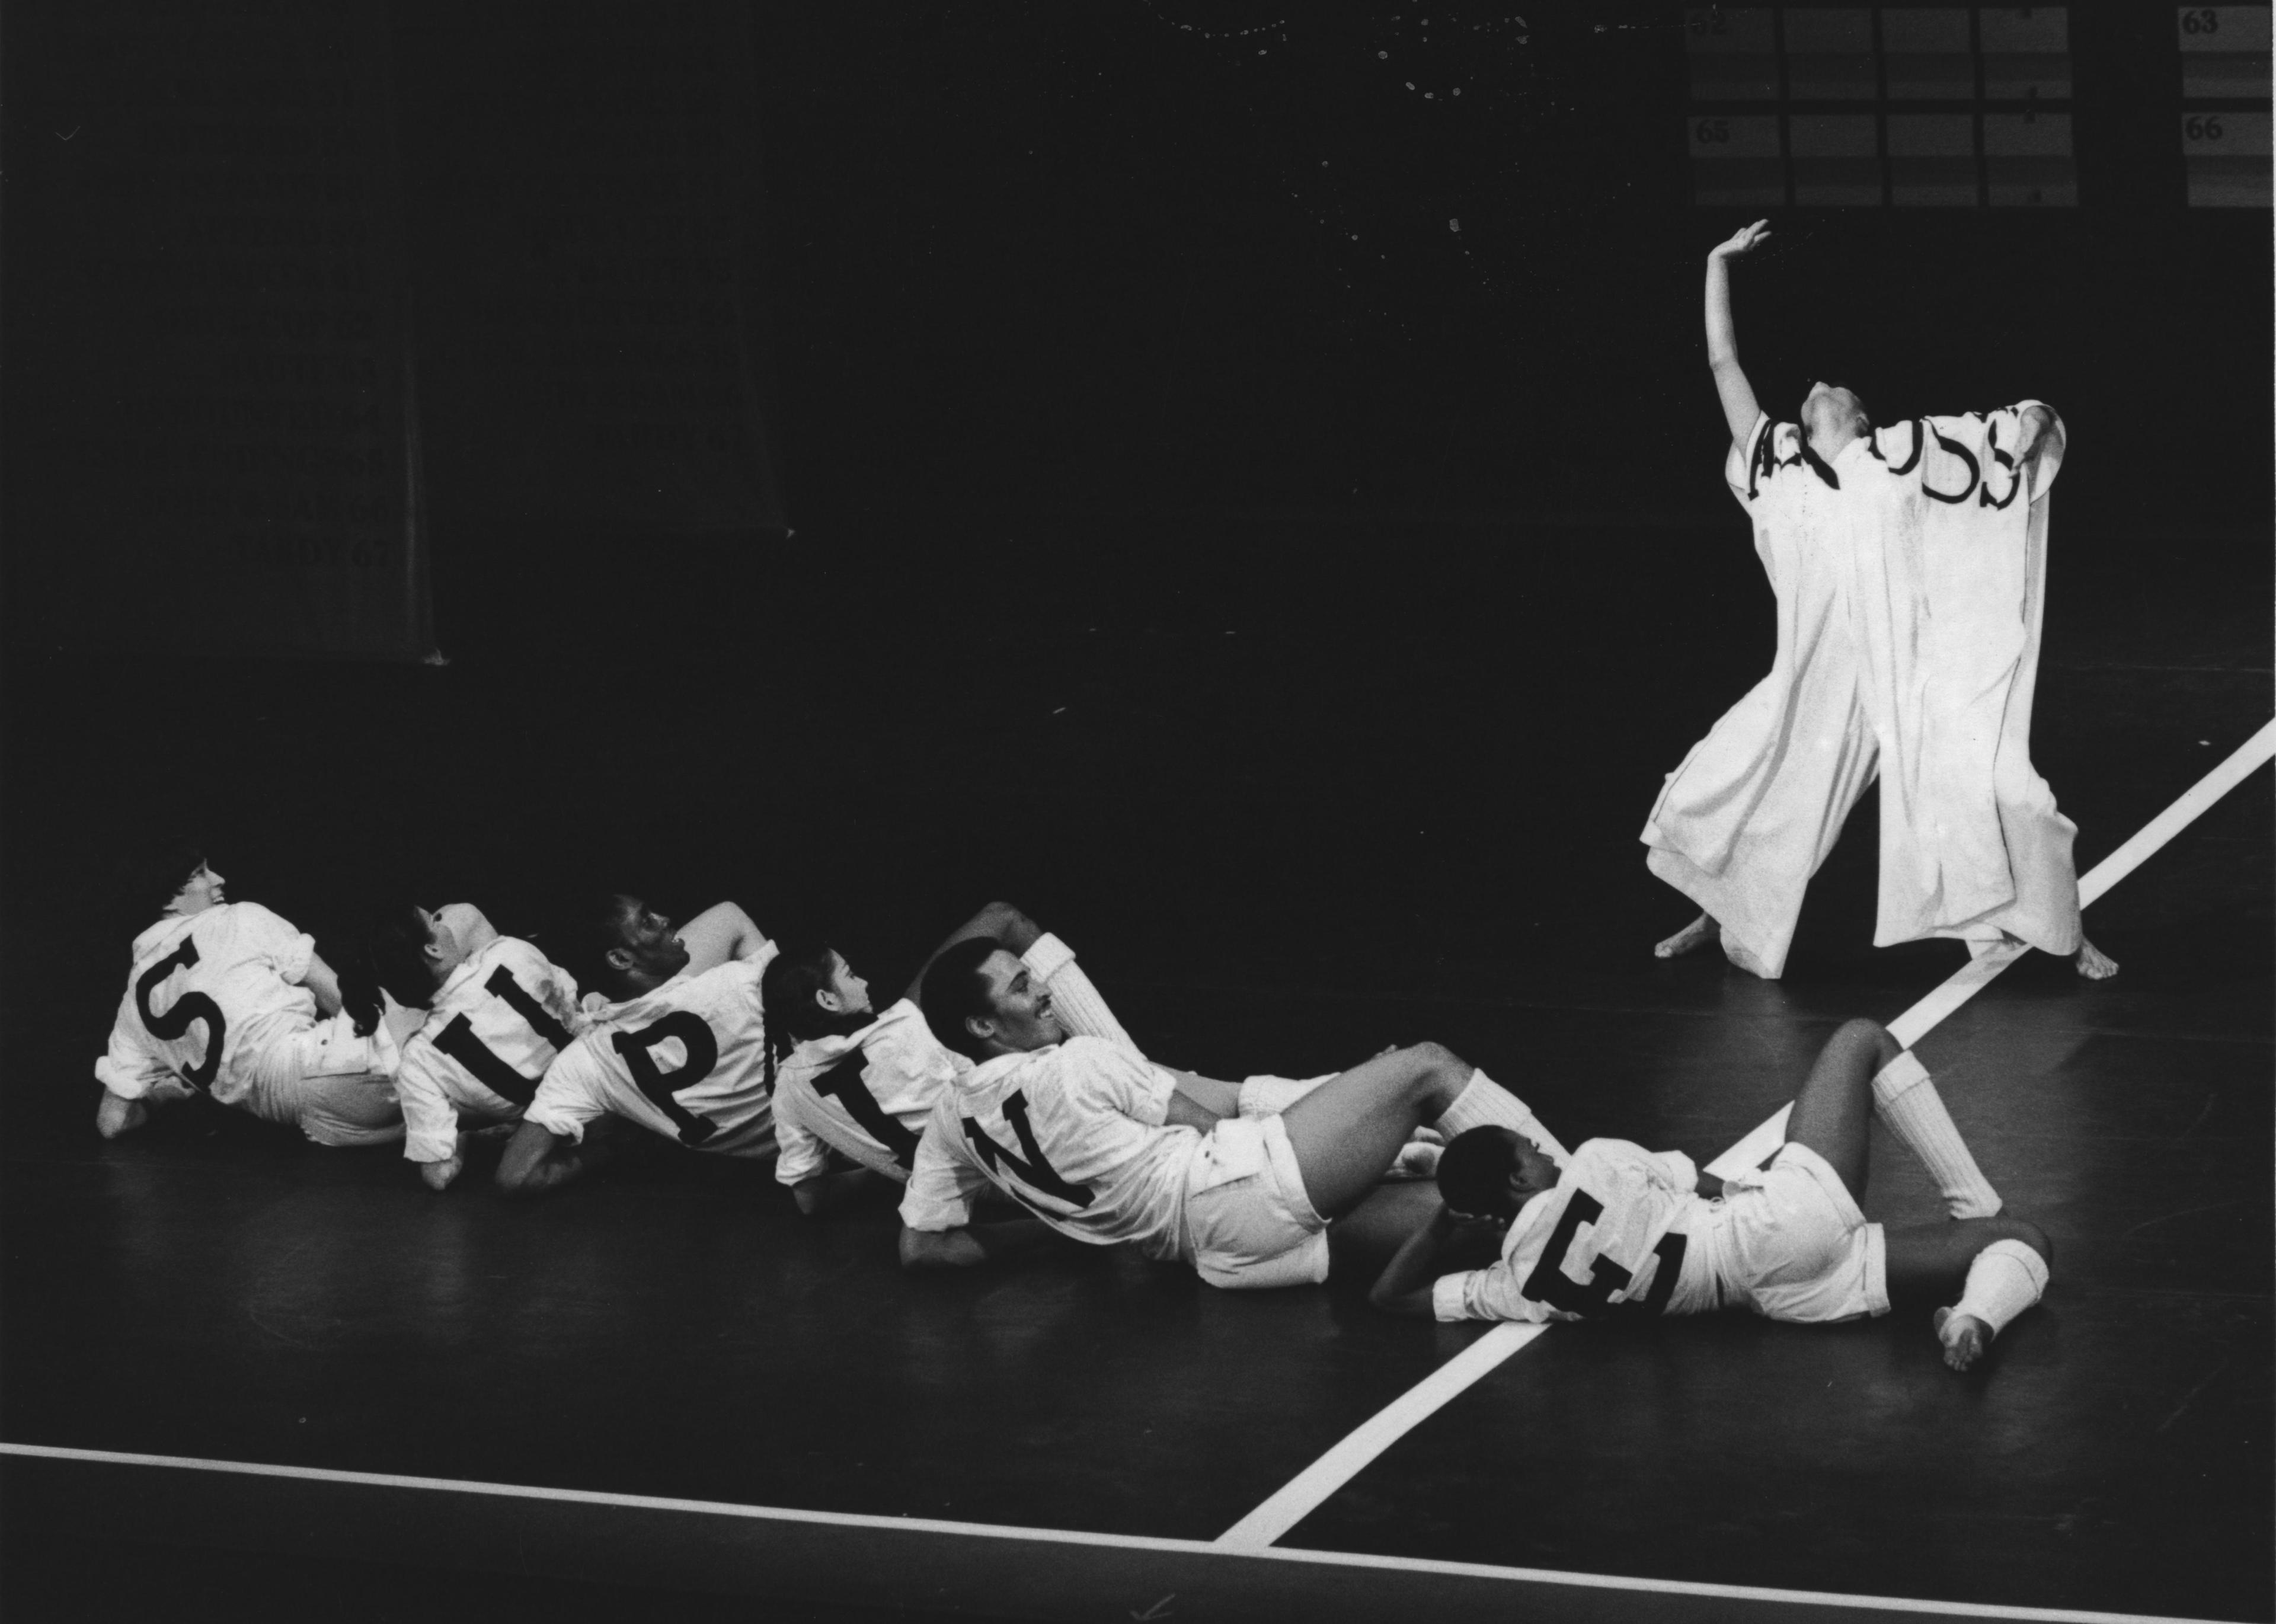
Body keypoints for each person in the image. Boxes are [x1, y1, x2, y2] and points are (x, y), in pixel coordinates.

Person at [1642, 218, 2115, 982]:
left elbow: (2012, 428)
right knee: (1727, 785)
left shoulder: (1899, 459)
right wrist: (1715, 263)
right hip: (1818, 683)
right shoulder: (1776, 471)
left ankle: (2064, 929)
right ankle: (1716, 911)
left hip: (1910, 674)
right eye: (1814, 391)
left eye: (1839, 390)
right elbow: (1722, 358)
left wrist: (2030, 422)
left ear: (1863, 420)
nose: (1819, 384)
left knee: (2009, 792)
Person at [1367, 1018, 2050, 1373]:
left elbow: (1389, 1300)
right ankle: (1977, 1213)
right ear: (1520, 1179)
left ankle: (1974, 1319)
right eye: (1532, 1152)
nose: (1546, 1150)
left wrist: (1441, 1226)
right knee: (1860, 1039)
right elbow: (1704, 1179)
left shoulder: (1521, 1287)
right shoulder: (1597, 1161)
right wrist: (1788, 1173)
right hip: (1772, 1226)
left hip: (1777, 1299)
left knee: (2027, 1247)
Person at [896, 935, 1567, 1290]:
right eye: (1022, 986)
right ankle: (1591, 1182)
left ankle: (1577, 1213)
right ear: (983, 1025)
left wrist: (1063, 1232)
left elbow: (923, 1247)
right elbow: (1225, 1133)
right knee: (1427, 1065)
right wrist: (1360, 1094)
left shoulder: (950, 1123)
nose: (1044, 991)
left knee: (1468, 1225)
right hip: (1242, 1188)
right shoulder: (1079, 1061)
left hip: (1216, 1258)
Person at [762, 902, 1140, 1216]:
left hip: (995, 1200)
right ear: (828, 1001)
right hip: (1077, 1159)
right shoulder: (906, 1028)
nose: (864, 983)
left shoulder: (789, 1091)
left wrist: (878, 1162)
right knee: (1005, 920)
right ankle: (1133, 1064)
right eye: (850, 975)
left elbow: (810, 1198)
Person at [93, 840, 414, 1146]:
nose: (219, 880)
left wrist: (168, 1093)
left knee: (447, 1107)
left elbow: (112, 1122)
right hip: (332, 1061)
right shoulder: (238, 918)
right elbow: (347, 1001)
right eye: (202, 874)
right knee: (460, 925)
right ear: (168, 901)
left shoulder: (133, 1004)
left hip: (318, 1121)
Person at [494, 893, 776, 1195]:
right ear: (620, 959)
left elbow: (515, 1177)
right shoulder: (736, 983)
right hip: (817, 1120)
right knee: (731, 916)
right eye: (646, 920)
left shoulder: (586, 1062)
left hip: (765, 1156)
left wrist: (617, 1147)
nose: (665, 919)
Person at [353, 898, 587, 1190]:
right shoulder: (509, 950)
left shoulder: (418, 1059)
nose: (446, 923)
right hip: (594, 1078)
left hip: (547, 1128)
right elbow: (574, 1007)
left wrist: (463, 1139)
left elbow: (438, 1177)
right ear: (433, 949)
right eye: (435, 921)